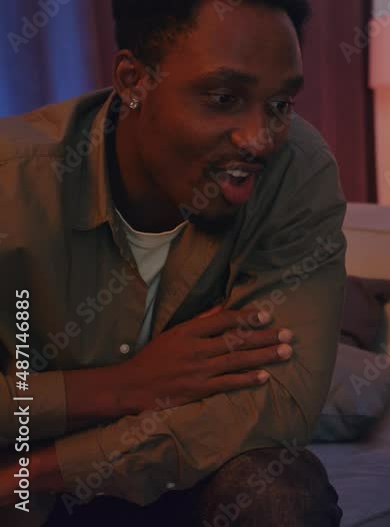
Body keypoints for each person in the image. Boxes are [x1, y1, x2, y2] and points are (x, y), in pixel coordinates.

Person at [0, 1, 347, 525]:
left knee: (278, 490)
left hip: (167, 478)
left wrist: (35, 472)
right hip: (24, 499)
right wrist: (124, 385)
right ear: (133, 79)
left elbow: (279, 403)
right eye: (223, 97)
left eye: (279, 103)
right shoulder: (13, 184)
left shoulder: (296, 172)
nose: (259, 138)